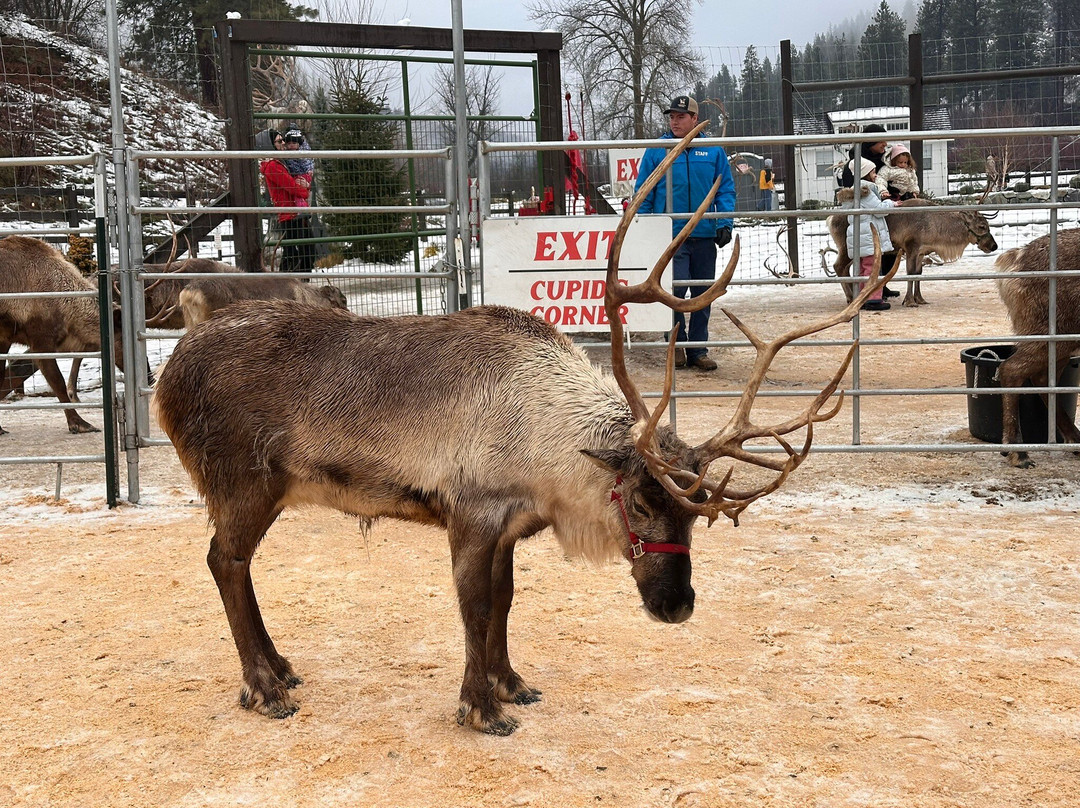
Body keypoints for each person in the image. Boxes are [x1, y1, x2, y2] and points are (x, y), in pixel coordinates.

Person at [634, 95, 736, 371]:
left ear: (695, 119)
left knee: (703, 294)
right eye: (671, 117)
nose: (674, 121)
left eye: (680, 116)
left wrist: (724, 222)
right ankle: (676, 346)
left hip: (704, 236)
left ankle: (698, 350)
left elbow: (725, 188)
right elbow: (644, 191)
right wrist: (646, 227)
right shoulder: (659, 150)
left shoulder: (712, 150)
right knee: (674, 293)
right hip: (671, 237)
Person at [836, 157, 898, 312]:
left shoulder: (853, 191)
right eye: (873, 172)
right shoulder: (866, 190)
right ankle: (874, 299)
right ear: (865, 173)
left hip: (858, 236)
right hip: (869, 236)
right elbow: (878, 210)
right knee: (873, 268)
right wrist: (891, 204)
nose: (876, 175)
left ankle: (861, 297)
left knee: (862, 268)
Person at [260, 128, 317, 273]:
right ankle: (296, 283)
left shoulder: (280, 162)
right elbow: (290, 185)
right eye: (279, 141)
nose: (283, 143)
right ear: (270, 145)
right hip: (290, 214)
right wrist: (305, 190)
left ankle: (294, 282)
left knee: (297, 251)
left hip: (293, 212)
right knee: (300, 251)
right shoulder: (273, 165)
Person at [839, 123, 889, 188]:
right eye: (881, 141)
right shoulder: (853, 165)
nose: (885, 144)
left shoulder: (886, 161)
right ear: (871, 142)